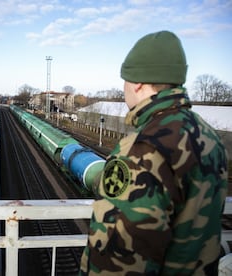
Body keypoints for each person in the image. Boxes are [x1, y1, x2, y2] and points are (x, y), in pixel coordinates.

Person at [80, 30, 229, 275]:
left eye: (125, 79)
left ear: (137, 82)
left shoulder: (142, 148)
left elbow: (119, 260)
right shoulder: (208, 135)